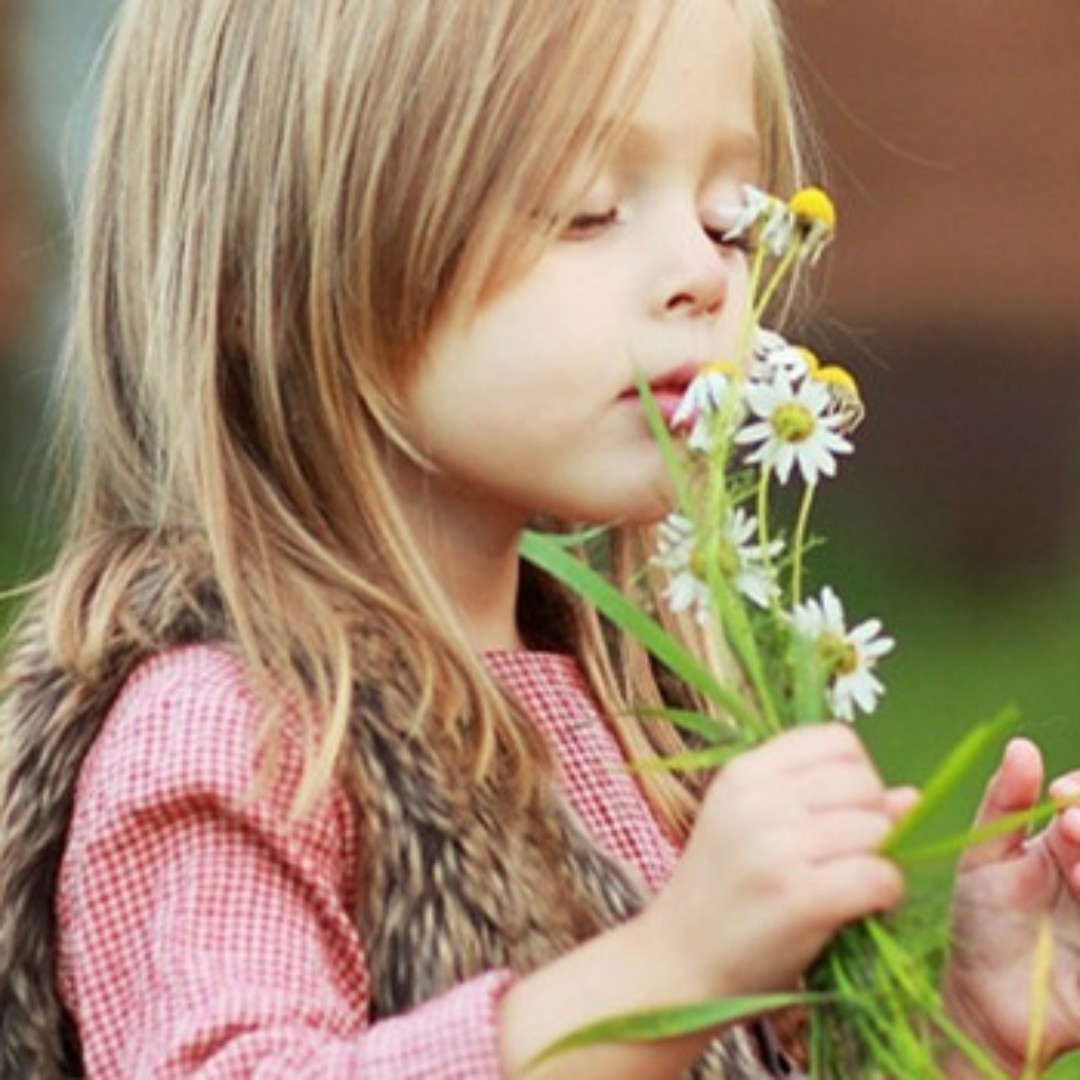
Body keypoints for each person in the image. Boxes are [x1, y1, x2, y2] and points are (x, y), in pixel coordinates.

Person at [0, 0, 1077, 1076]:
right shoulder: (239, 732)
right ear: (274, 269)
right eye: (589, 210)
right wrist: (668, 975)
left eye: (726, 214)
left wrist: (955, 1022)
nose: (702, 274)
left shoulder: (642, 715)